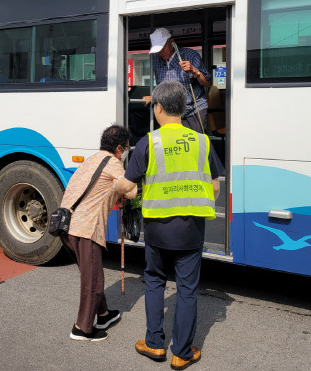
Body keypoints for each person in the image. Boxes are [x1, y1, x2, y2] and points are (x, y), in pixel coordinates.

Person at [115, 81, 224, 369]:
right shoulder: (203, 141)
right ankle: (182, 353)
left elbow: (128, 185)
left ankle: (154, 345)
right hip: (190, 230)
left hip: (158, 229)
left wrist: (116, 185)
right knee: (187, 289)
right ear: (184, 108)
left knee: (154, 282)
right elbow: (214, 189)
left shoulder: (149, 143)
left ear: (159, 108)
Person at [61, 125, 138, 342]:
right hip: (86, 228)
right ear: (120, 148)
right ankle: (82, 328)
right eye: (126, 151)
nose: (124, 155)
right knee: (93, 281)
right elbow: (130, 191)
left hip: (66, 227)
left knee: (90, 274)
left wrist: (113, 190)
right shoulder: (113, 163)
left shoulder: (92, 159)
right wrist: (122, 186)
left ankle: (103, 315)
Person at [144, 27, 212, 133]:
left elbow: (207, 83)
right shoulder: (155, 59)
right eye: (157, 50)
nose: (160, 52)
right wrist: (154, 96)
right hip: (170, 111)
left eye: (162, 48)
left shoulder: (190, 55)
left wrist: (194, 71)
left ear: (172, 42)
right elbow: (161, 86)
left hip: (193, 109)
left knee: (195, 143)